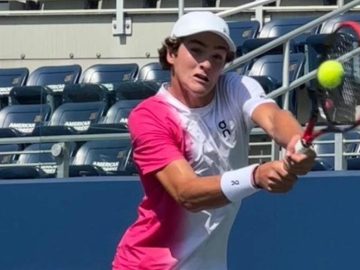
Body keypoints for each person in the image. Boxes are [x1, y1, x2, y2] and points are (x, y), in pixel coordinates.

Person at [112, 11, 316, 270]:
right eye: (196, 51)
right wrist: (255, 176)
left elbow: (274, 117)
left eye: (217, 57)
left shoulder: (235, 88)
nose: (206, 63)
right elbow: (187, 193)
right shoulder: (150, 116)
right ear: (171, 54)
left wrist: (296, 143)